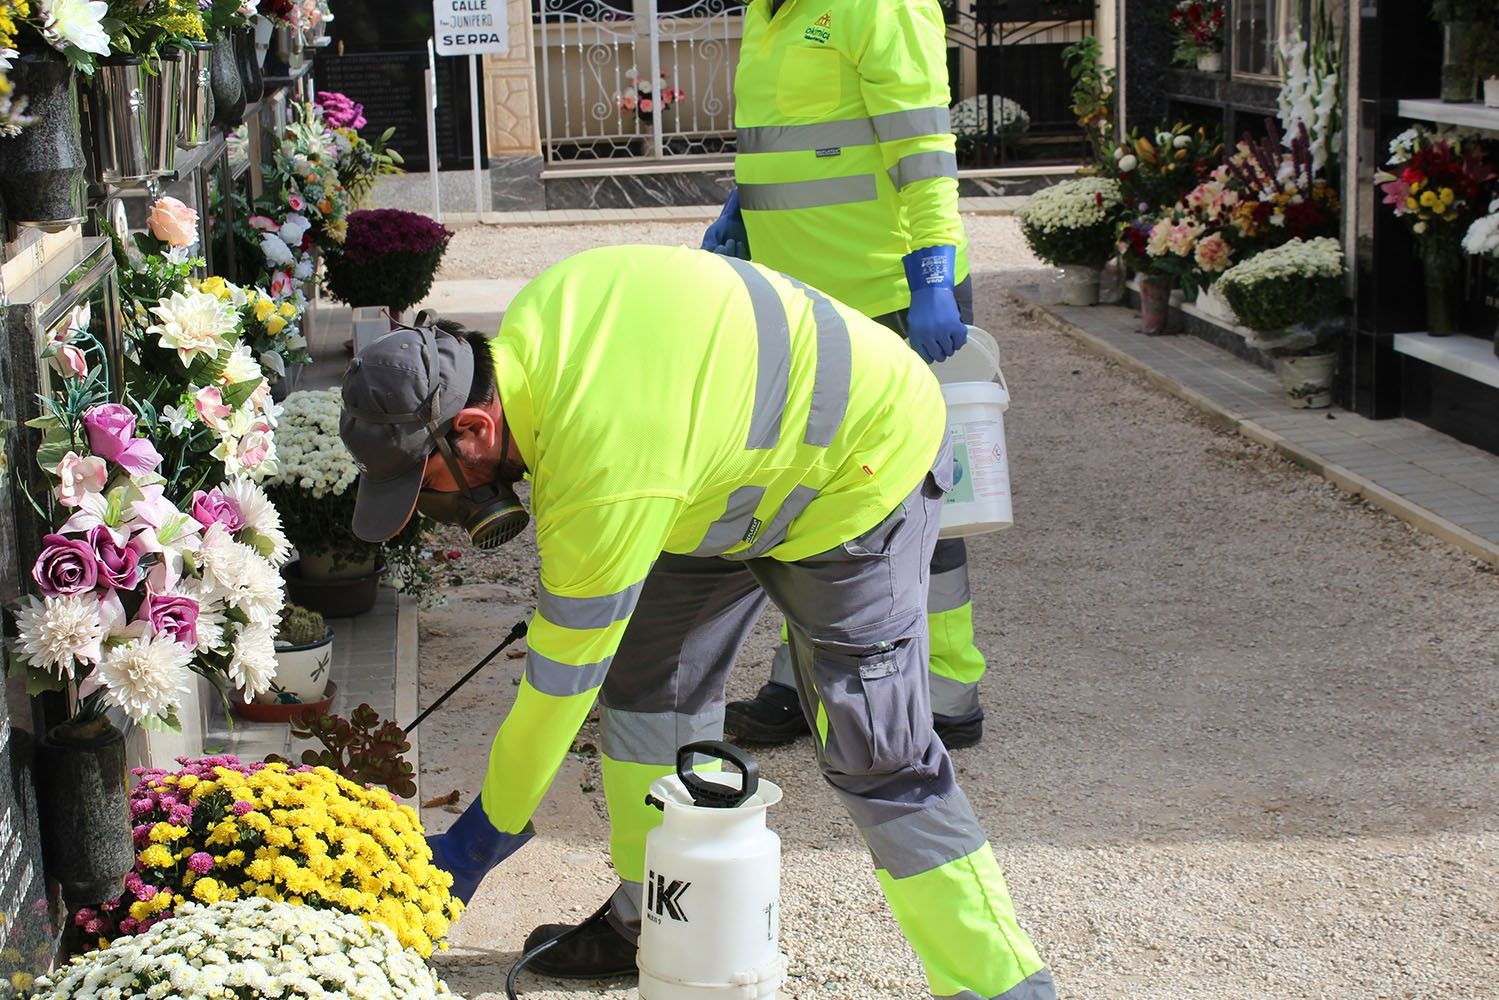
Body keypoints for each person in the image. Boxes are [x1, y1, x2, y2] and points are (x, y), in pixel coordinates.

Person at [339, 245, 1052, 999]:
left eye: (425, 481)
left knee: (879, 752)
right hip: (716, 475)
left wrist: (480, 838)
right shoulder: (544, 313)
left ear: (475, 428)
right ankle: (658, 918)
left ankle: (1000, 984)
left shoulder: (603, 475)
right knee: (649, 683)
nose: (433, 507)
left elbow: (555, 694)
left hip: (860, 468)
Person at [701, 0, 989, 749]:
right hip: (802, 305)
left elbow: (922, 146)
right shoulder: (767, 13)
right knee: (804, 497)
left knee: (916, 503)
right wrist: (744, 204)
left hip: (891, 298)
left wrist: (933, 274)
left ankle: (946, 690)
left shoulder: (879, 4)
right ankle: (808, 680)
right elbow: (797, 136)